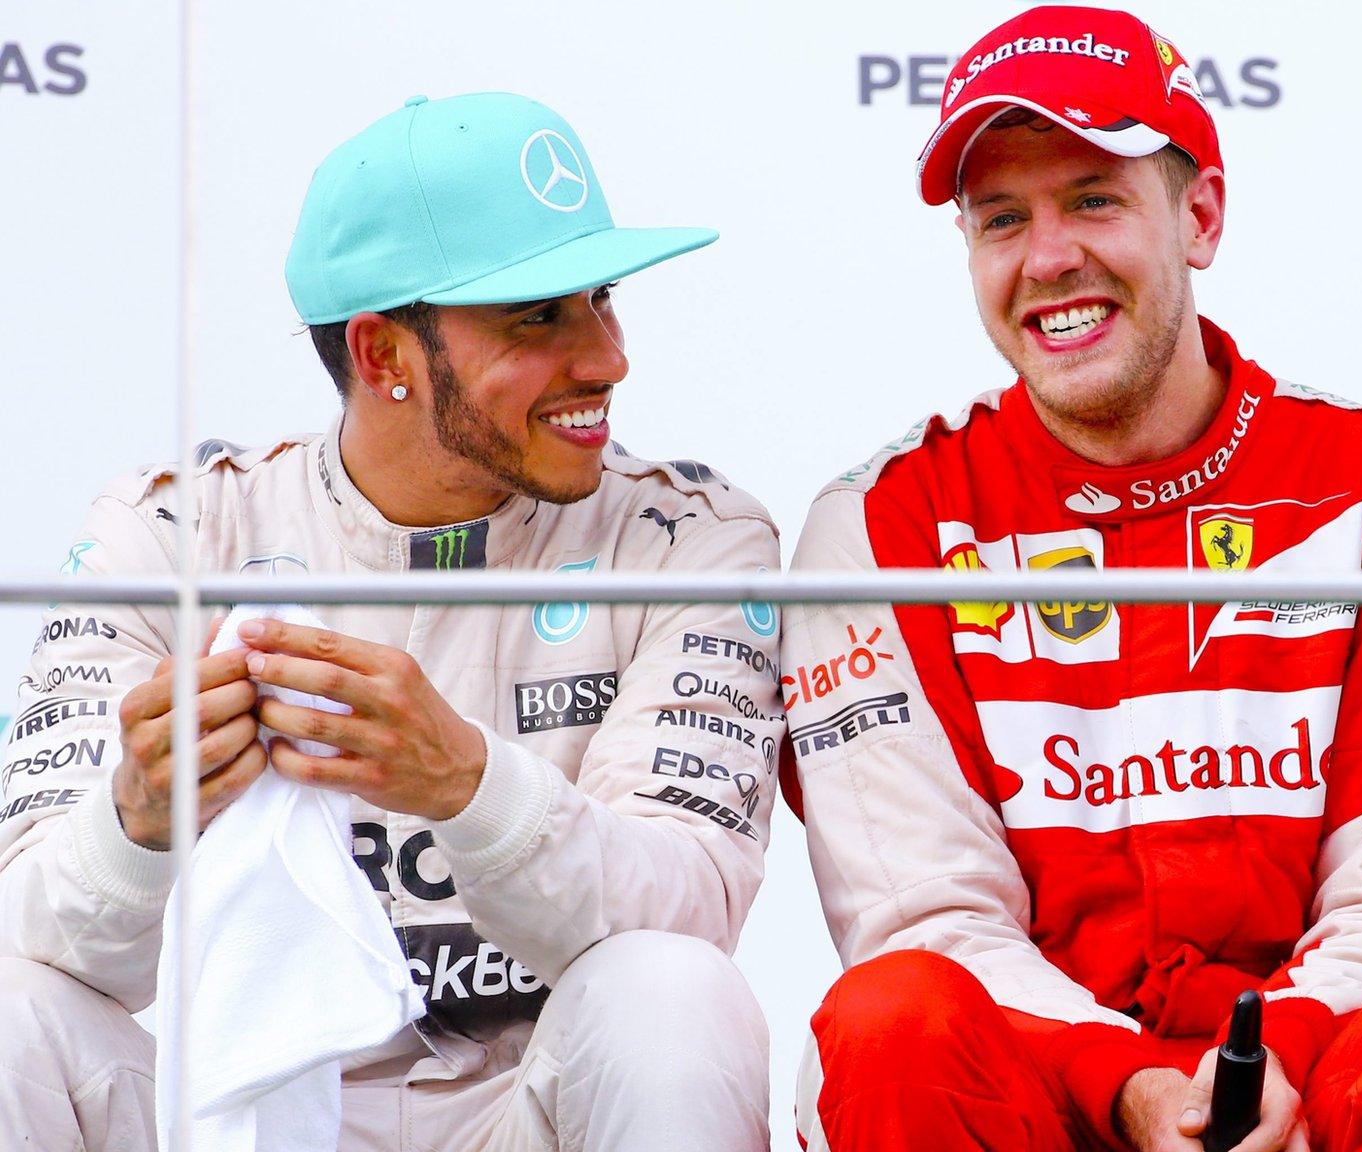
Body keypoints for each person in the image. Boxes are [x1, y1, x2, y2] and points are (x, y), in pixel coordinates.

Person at [783, 7, 1362, 1151]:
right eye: (1000, 219)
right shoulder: (879, 525)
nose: (1046, 257)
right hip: (1043, 1091)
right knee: (888, 1018)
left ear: (1199, 216)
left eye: (1093, 199)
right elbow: (924, 921)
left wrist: (1267, 1067)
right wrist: (1127, 1085)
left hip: (1320, 1073)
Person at [0, 92, 781, 1150]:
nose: (605, 357)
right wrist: (135, 820)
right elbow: (38, 935)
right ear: (384, 358)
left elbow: (691, 913)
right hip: (232, 1122)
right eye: (537, 316)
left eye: (601, 298)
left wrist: (468, 785)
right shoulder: (173, 533)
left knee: (673, 990)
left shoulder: (693, 535)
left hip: (520, 1116)